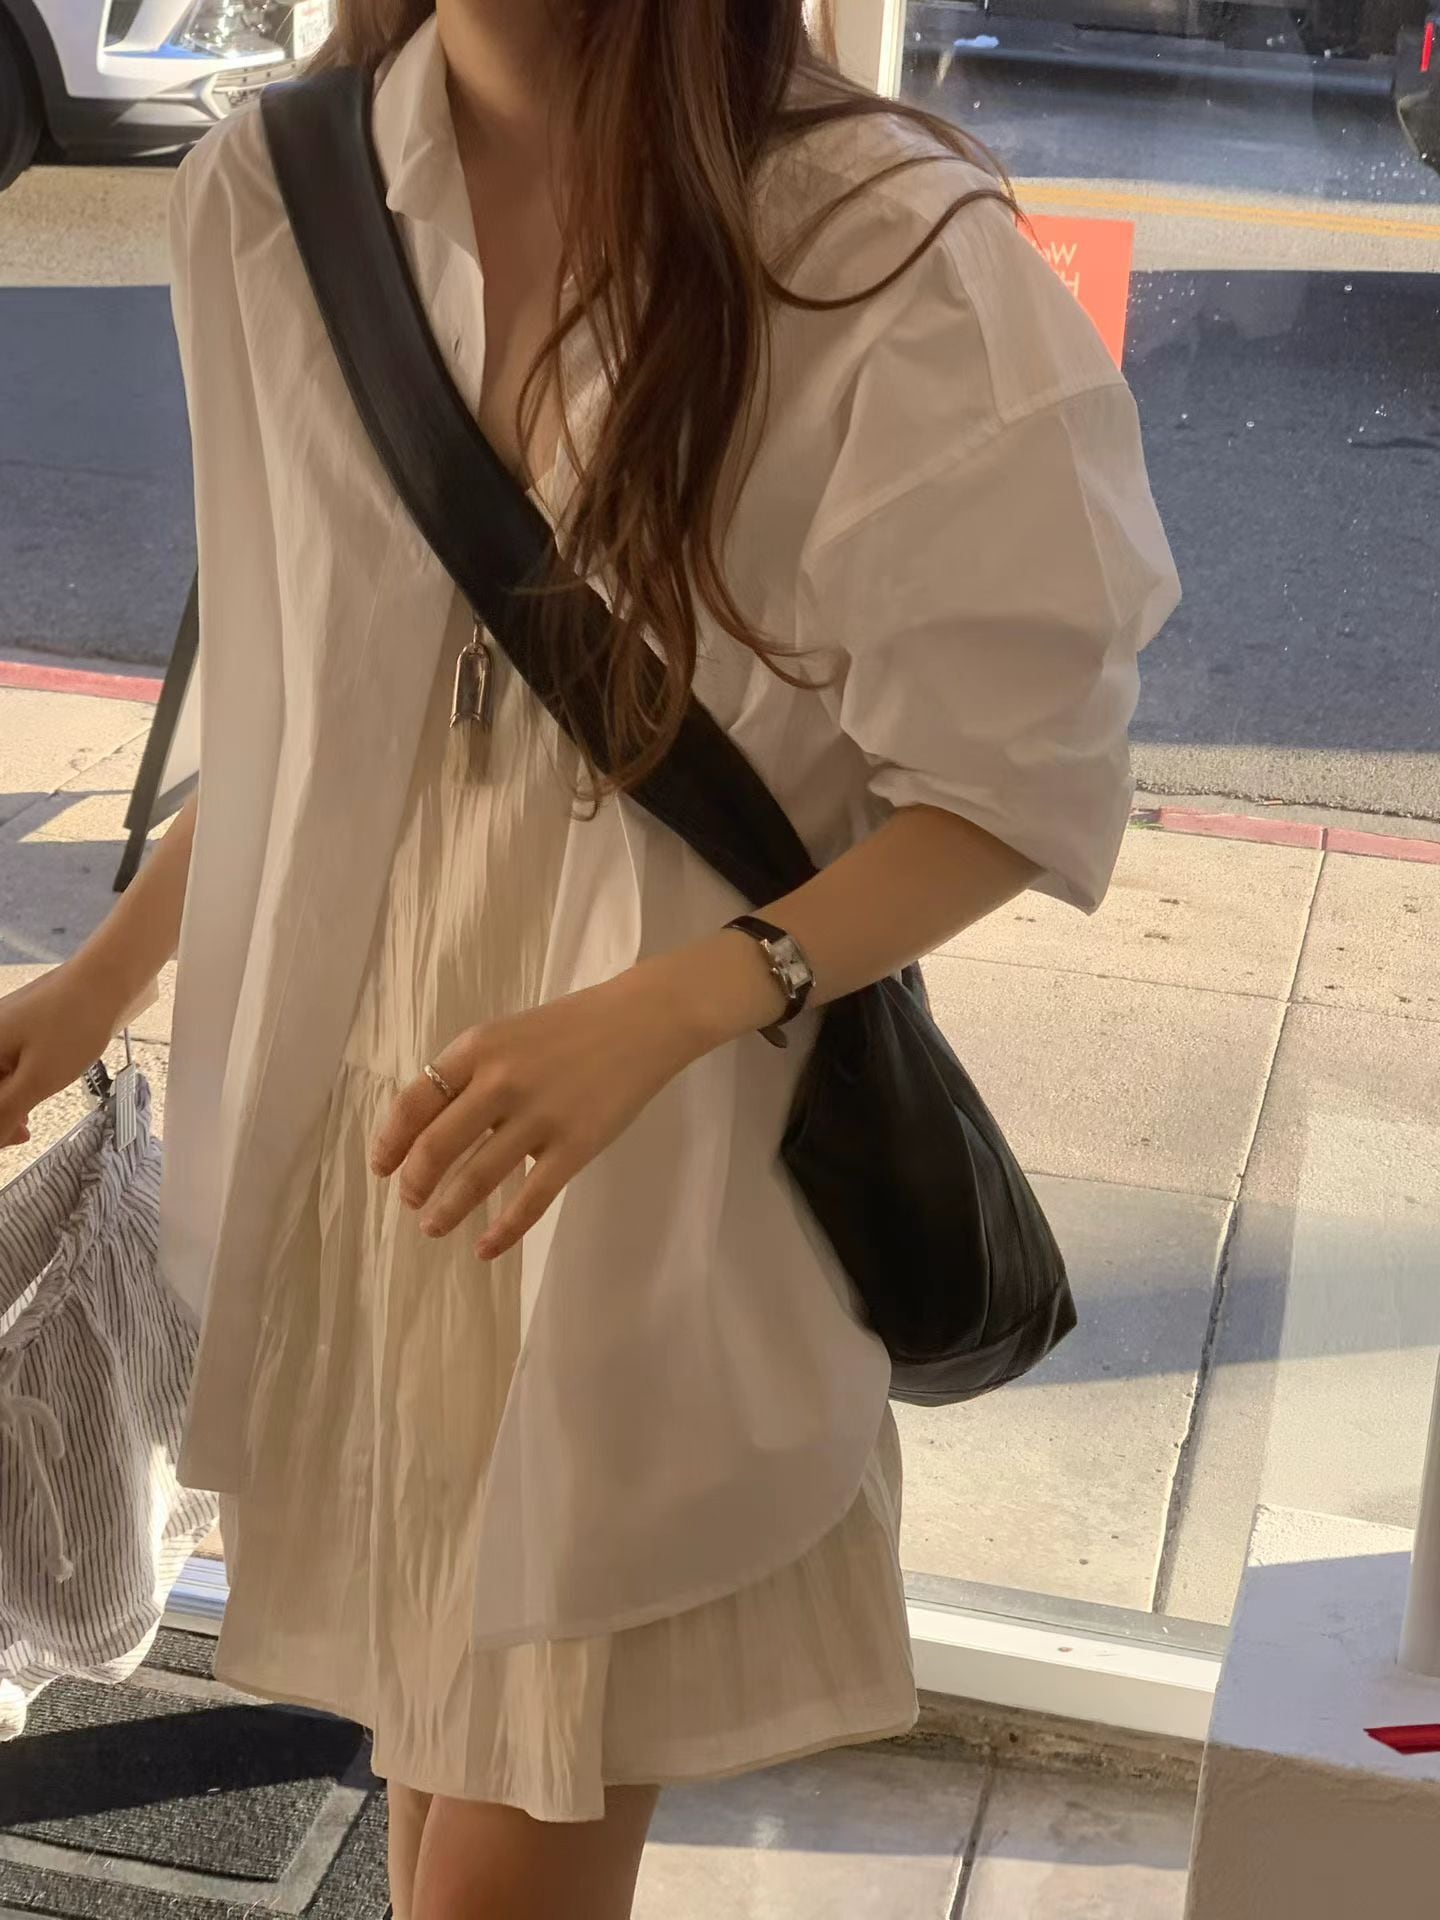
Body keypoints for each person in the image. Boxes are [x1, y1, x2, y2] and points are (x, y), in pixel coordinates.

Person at [0, 3, 1179, 1916]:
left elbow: (1013, 785)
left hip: (664, 1151)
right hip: (373, 1130)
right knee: (435, 1740)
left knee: (524, 1781)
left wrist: (677, 1005)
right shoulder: (273, 196)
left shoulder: (874, 243)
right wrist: (103, 980)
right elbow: (318, 716)